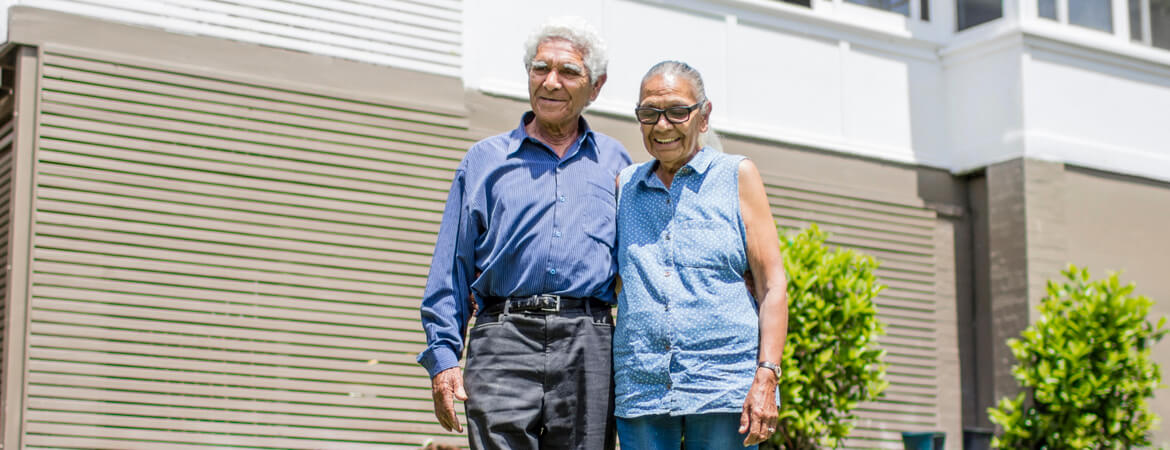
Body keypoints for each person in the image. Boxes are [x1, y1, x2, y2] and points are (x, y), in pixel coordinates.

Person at [416, 16, 632, 450]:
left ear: (597, 86)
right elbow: (450, 270)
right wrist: (443, 360)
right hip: (502, 337)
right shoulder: (483, 161)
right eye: (540, 68)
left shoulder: (617, 164)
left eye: (568, 71)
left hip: (588, 338)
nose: (551, 81)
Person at [612, 61, 789, 449]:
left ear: (703, 116)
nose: (662, 125)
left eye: (677, 111)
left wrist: (766, 376)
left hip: (723, 383)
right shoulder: (625, 185)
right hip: (643, 385)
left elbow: (773, 285)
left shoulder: (736, 176)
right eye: (649, 113)